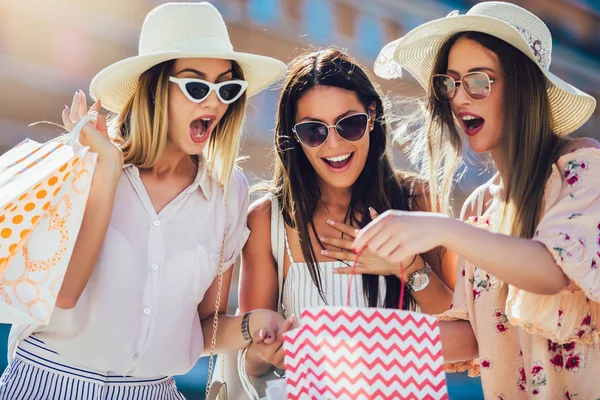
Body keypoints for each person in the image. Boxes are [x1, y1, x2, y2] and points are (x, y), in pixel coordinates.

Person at [0, 3, 287, 399]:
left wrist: (251, 324)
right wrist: (109, 168)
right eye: (197, 86)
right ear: (154, 88)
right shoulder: (85, 164)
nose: (214, 103)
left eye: (227, 88)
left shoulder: (229, 193)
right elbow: (63, 295)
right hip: (51, 383)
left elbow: (201, 329)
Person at [359, 2, 600, 398]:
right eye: (449, 83)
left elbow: (553, 268)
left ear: (522, 85)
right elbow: (473, 337)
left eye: (478, 81)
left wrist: (441, 229)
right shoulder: (477, 208)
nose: (458, 98)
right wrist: (368, 345)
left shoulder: (578, 167)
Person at [225, 48, 456, 399]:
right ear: (294, 136)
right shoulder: (267, 219)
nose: (334, 144)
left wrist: (408, 266)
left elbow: (463, 329)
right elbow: (250, 358)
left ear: (372, 115)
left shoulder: (420, 202)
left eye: (349, 124)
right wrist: (264, 356)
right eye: (314, 131)